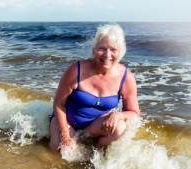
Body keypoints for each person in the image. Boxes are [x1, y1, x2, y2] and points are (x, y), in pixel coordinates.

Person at [49, 23, 140, 153]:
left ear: (119, 52)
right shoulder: (76, 70)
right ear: (94, 49)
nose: (107, 55)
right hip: (68, 122)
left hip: (94, 128)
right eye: (102, 48)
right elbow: (59, 104)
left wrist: (118, 115)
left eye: (113, 49)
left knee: (121, 128)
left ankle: (96, 151)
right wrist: (65, 135)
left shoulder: (126, 77)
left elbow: (134, 113)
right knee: (61, 152)